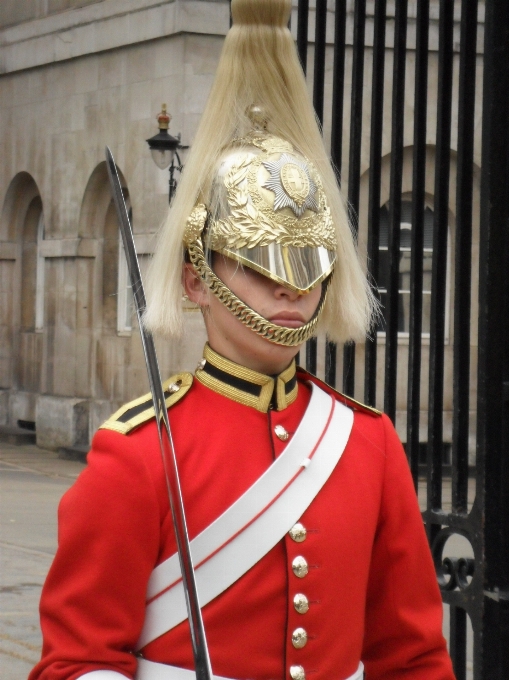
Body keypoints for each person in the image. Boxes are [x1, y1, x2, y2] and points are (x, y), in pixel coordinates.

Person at [29, 1, 455, 679]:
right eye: (258, 264)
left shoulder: (367, 444)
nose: (289, 291)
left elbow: (412, 657)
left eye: (305, 264)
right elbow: (74, 663)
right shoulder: (135, 454)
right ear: (197, 282)